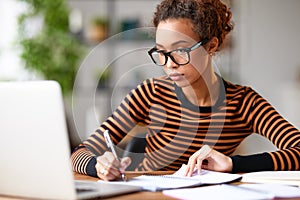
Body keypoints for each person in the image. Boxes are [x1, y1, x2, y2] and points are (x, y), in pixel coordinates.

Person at [71, 0, 300, 181]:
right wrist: (97, 166)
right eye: (161, 52)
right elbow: (79, 154)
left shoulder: (243, 102)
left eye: (180, 51)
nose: (169, 63)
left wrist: (233, 164)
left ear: (211, 46)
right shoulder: (150, 94)